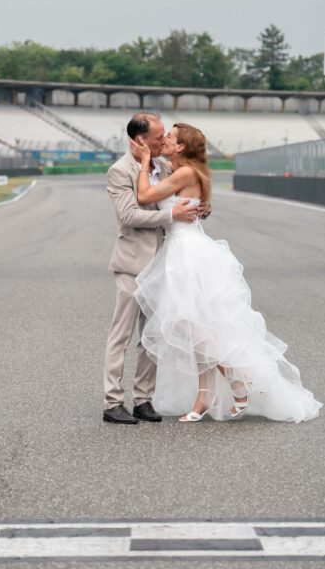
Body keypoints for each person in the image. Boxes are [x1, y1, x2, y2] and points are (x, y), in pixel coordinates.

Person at [130, 124, 322, 423]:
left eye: (170, 137)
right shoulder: (183, 169)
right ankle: (208, 394)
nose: (165, 138)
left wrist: (143, 163)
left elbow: (144, 196)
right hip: (182, 251)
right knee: (195, 328)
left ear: (181, 147)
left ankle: (235, 382)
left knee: (198, 329)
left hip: (188, 254)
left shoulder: (186, 173)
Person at [102, 113, 211, 425]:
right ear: (140, 140)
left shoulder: (164, 166)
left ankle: (143, 399)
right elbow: (128, 215)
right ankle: (112, 402)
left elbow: (184, 192)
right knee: (120, 335)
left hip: (165, 262)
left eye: (166, 136)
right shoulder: (120, 170)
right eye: (158, 137)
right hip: (132, 262)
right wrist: (172, 216)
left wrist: (200, 206)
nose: (164, 141)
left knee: (151, 336)